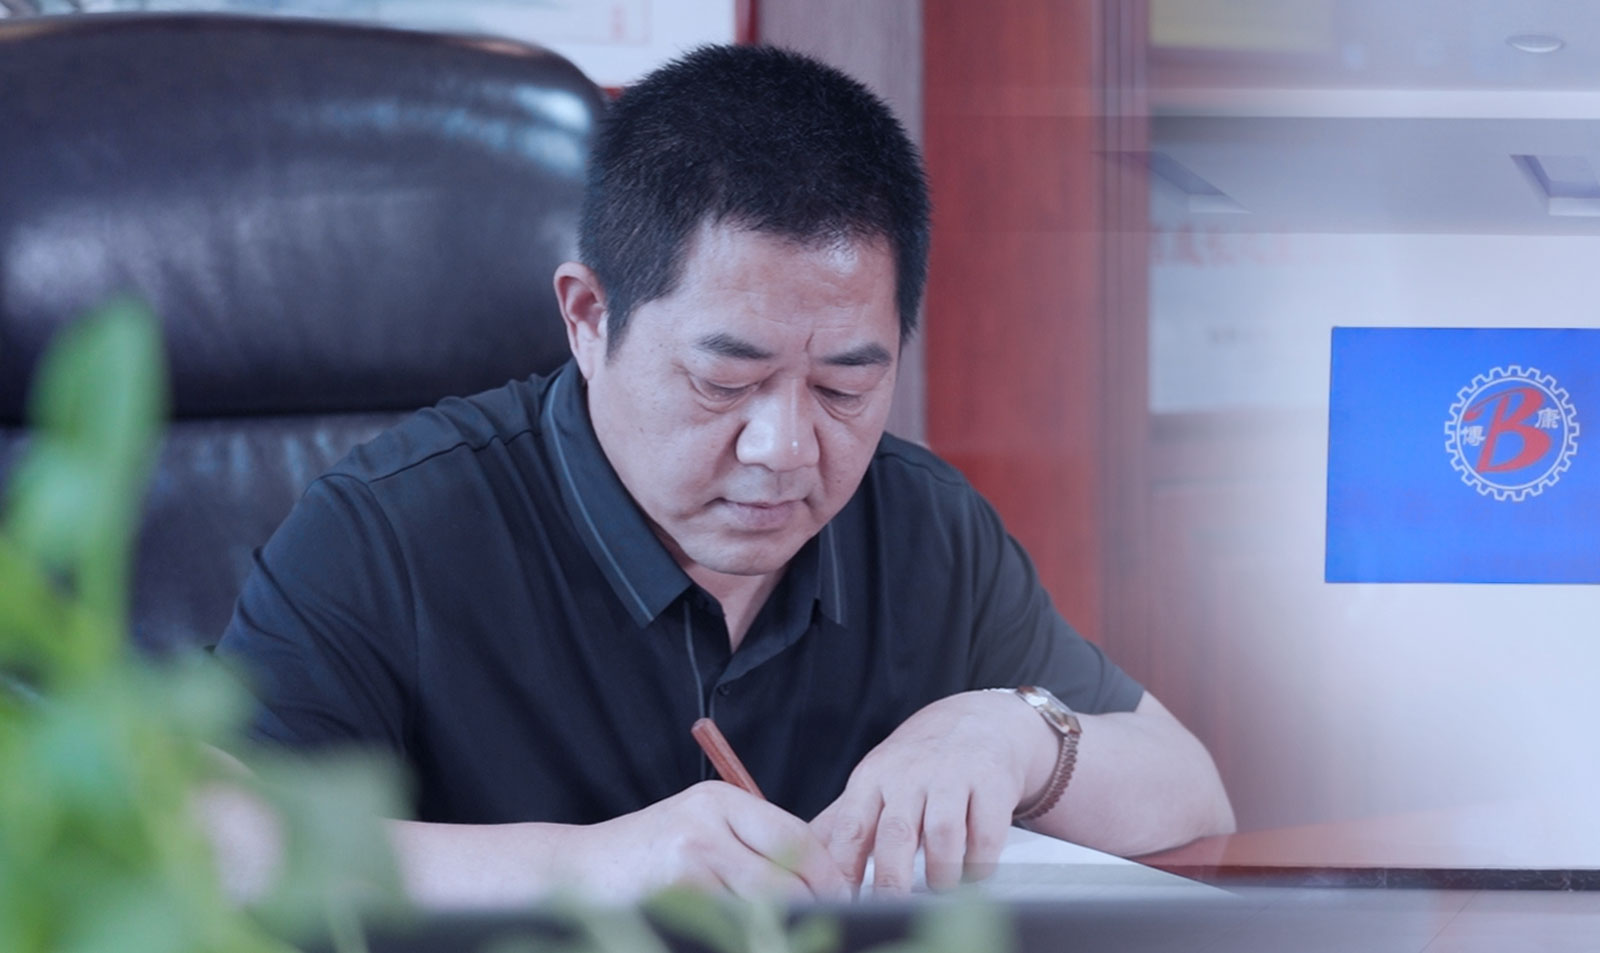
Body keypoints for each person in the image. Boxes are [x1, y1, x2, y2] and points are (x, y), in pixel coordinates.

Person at [210, 44, 1234, 907]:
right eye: (723, 380)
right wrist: (590, 865)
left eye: (843, 387)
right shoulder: (393, 528)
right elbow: (203, 832)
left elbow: (1191, 789)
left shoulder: (923, 526)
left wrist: (1014, 734)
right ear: (588, 317)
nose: (784, 448)